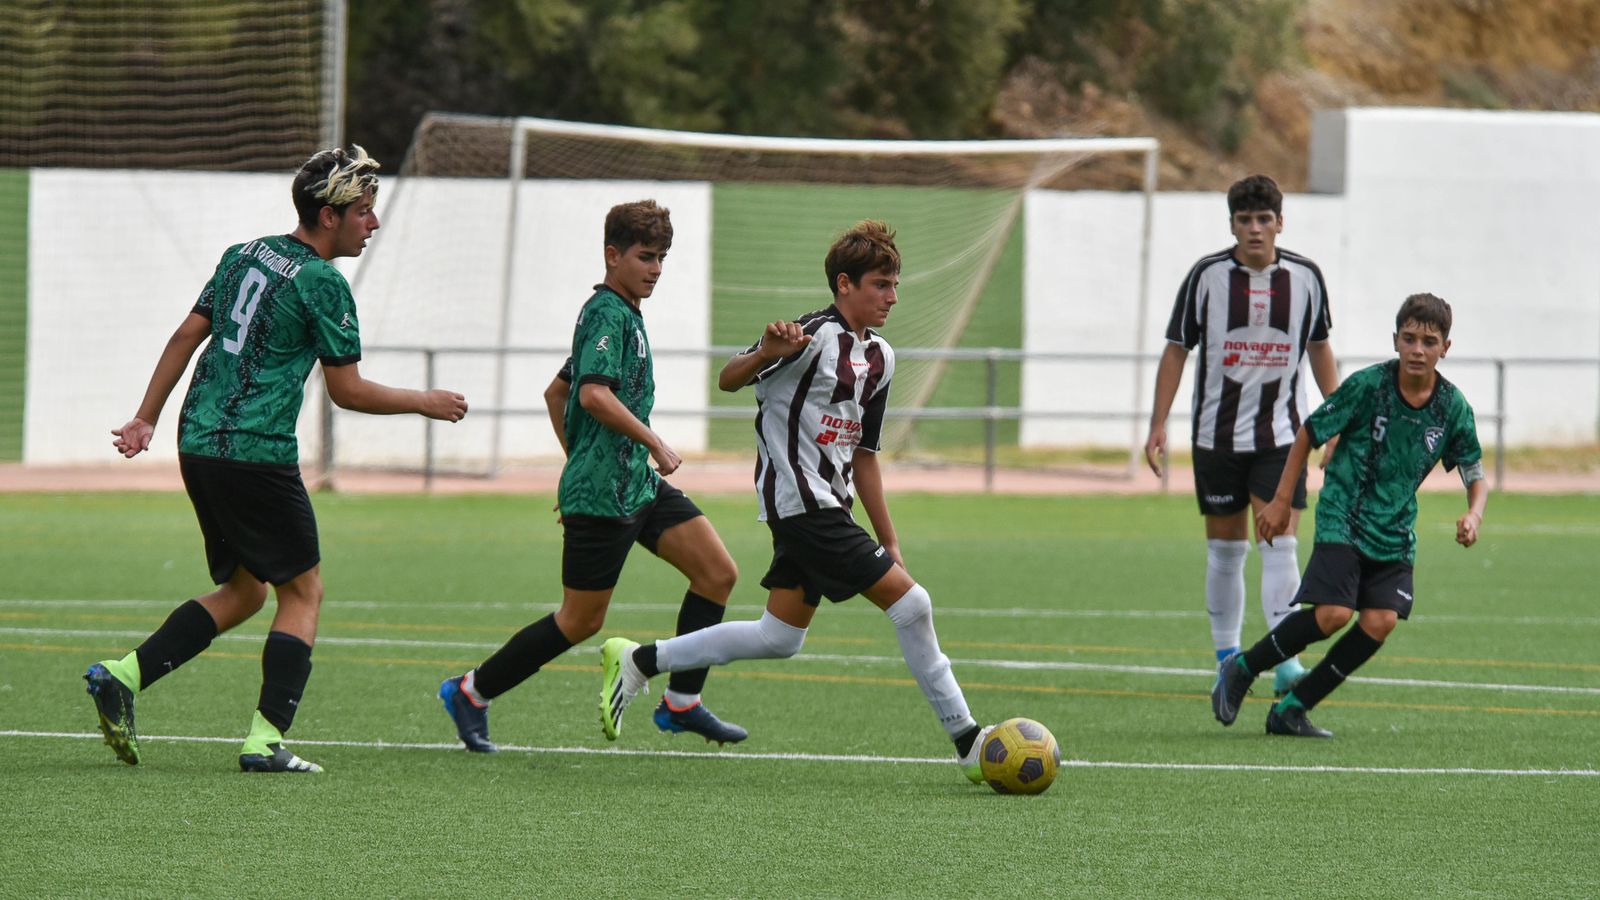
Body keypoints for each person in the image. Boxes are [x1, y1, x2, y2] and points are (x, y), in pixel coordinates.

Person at [86, 145, 470, 773]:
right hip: (257, 451)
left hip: (199, 443)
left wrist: (146, 416)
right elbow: (347, 392)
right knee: (304, 590)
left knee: (244, 591)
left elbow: (188, 334)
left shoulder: (244, 255)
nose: (373, 224)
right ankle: (265, 741)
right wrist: (423, 402)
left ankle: (123, 675)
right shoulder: (324, 283)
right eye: (364, 212)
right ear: (327, 215)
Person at [596, 220, 994, 784]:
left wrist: (890, 538)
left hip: (832, 505)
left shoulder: (882, 358)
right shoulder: (806, 335)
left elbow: (866, 456)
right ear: (844, 284)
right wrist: (766, 352)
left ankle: (641, 659)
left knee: (778, 638)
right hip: (802, 505)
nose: (892, 297)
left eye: (895, 285)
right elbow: (729, 379)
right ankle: (969, 741)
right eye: (881, 284)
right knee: (914, 605)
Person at [437, 199, 746, 752]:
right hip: (604, 496)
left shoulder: (625, 313)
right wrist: (650, 442)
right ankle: (470, 690)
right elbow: (591, 394)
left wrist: (578, 457)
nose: (655, 268)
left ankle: (682, 702)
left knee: (717, 573)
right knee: (580, 621)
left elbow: (557, 390)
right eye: (645, 256)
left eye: (662, 258)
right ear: (612, 255)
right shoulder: (605, 312)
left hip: (637, 487)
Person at [1213, 293, 1487, 737]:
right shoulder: (1368, 386)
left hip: (1394, 530)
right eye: (1410, 338)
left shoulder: (1452, 407)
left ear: (1445, 348)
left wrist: (1474, 513)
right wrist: (1281, 501)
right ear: (1395, 340)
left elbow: (1476, 474)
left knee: (1380, 621)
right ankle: (1242, 669)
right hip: (1345, 514)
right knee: (1334, 614)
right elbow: (1310, 432)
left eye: (1429, 341)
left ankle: (1292, 709)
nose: (1418, 349)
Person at [1144, 174, 1341, 697]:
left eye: (1263, 219)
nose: (1254, 229)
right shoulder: (1206, 277)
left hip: (1283, 437)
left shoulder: (1305, 277)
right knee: (1226, 551)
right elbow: (1175, 348)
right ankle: (1227, 657)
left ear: (1280, 222)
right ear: (1232, 224)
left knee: (1279, 543)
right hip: (1217, 436)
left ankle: (1284, 662)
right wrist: (1158, 421)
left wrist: (1335, 414)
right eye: (1244, 220)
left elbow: (1319, 346)